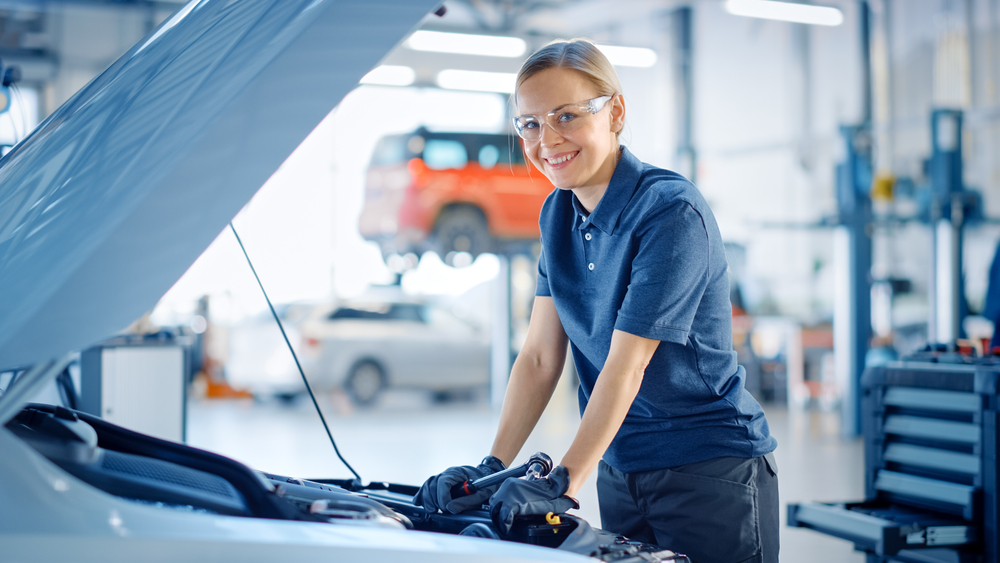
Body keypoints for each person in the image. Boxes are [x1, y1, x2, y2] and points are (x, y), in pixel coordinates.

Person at [414, 39, 779, 563]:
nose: (548, 139)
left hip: (709, 469)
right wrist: (489, 468)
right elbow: (541, 358)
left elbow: (627, 366)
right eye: (531, 124)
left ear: (615, 112)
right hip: (619, 466)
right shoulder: (556, 215)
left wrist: (564, 483)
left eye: (566, 116)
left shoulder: (670, 212)